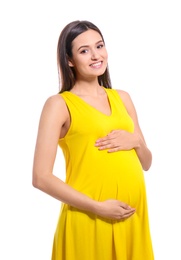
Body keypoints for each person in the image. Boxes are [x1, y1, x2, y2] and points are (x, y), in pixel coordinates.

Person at [32, 20, 154, 260]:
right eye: (84, 50)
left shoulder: (122, 97)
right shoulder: (59, 105)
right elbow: (40, 177)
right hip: (89, 217)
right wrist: (98, 207)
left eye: (99, 46)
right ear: (69, 60)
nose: (96, 55)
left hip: (132, 218)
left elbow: (147, 163)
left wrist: (136, 142)